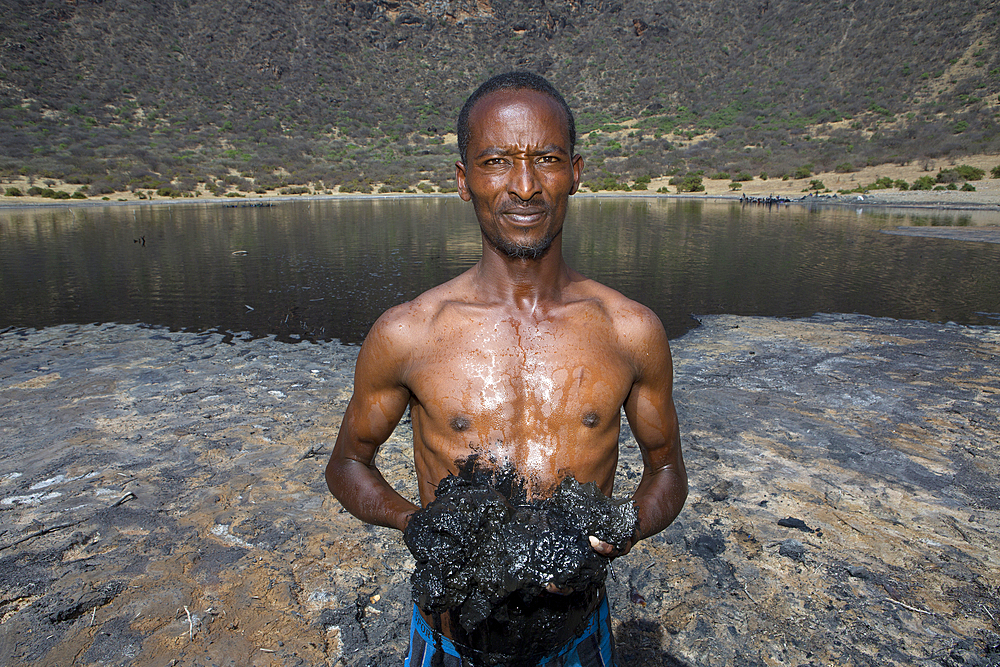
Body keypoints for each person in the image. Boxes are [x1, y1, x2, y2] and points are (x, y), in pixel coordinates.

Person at [326, 71, 687, 666]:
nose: (524, 186)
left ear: (575, 171)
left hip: (577, 636)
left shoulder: (630, 331)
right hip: (449, 640)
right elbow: (347, 463)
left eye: (546, 159)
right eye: (497, 161)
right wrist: (413, 522)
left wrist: (622, 526)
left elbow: (667, 471)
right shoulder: (409, 333)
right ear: (464, 181)